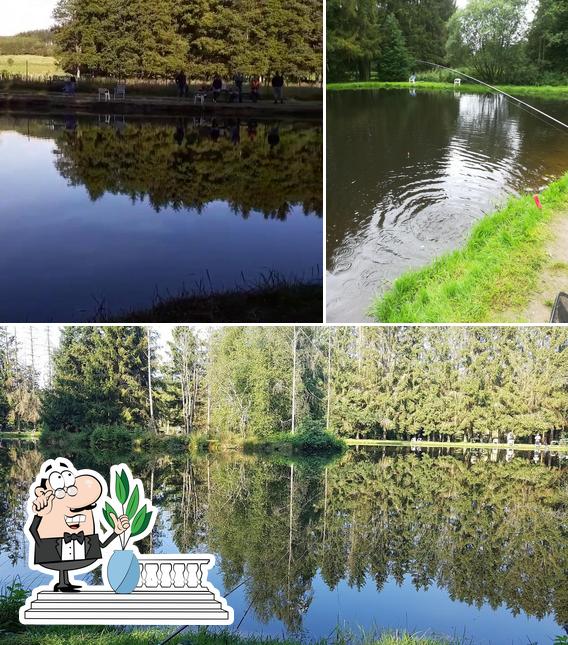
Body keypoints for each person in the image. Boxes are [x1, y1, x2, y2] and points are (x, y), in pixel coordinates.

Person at [27, 460, 129, 592]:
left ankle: (65, 583)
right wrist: (39, 518)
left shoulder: (87, 537)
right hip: (53, 550)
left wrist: (116, 531)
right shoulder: (47, 510)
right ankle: (62, 583)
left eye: (86, 507)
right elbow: (32, 529)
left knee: (66, 564)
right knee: (61, 564)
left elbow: (102, 545)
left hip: (79, 552)